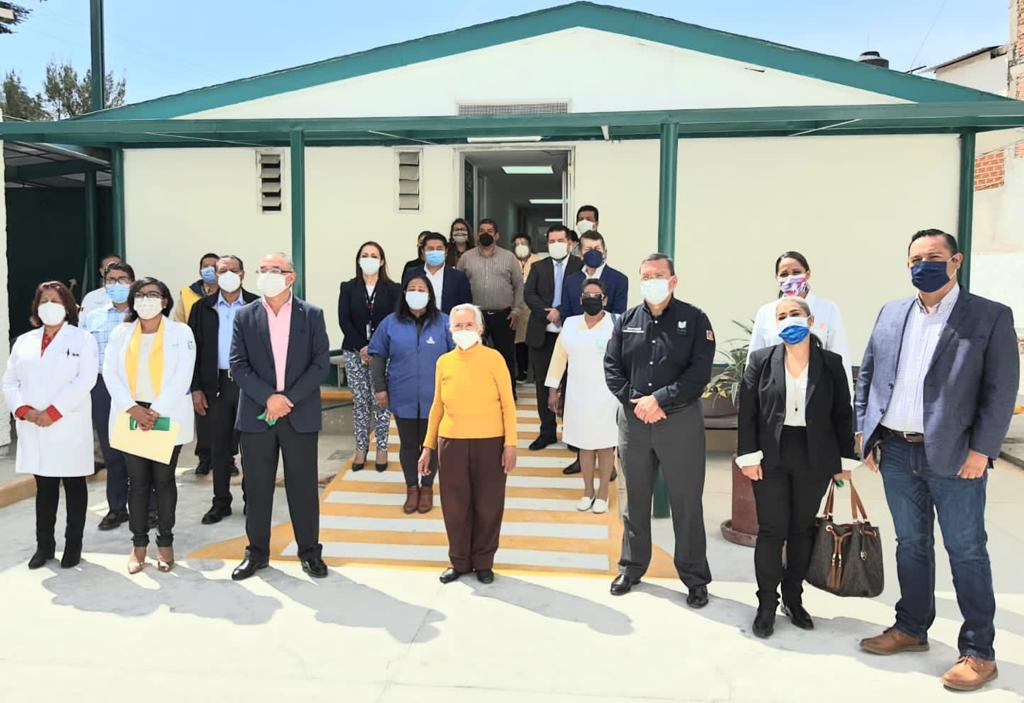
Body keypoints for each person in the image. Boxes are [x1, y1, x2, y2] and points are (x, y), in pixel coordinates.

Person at [855, 229, 1018, 692]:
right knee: (910, 544)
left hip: (956, 456)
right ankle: (911, 627)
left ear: (956, 261)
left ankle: (979, 652)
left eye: (933, 256)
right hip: (895, 450)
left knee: (966, 550)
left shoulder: (988, 316)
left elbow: (1001, 390)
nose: (922, 265)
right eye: (915, 259)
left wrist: (983, 450)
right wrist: (866, 432)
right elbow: (869, 373)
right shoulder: (892, 312)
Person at [737, 296, 858, 638]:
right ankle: (766, 604)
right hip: (770, 455)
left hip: (814, 455)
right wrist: (748, 456)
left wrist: (844, 461)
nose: (789, 319)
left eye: (795, 313)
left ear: (810, 320)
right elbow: (748, 412)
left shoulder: (830, 363)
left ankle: (794, 598)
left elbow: (842, 412)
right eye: (782, 316)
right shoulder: (761, 360)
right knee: (772, 530)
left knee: (802, 529)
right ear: (775, 325)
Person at [605, 253, 715, 607]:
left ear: (673, 280)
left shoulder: (695, 319)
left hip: (679, 422)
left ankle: (695, 578)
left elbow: (699, 373)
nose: (651, 281)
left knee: (686, 502)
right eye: (645, 276)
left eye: (657, 275)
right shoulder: (627, 321)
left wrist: (660, 400)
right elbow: (612, 367)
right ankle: (632, 567)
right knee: (635, 499)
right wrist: (637, 401)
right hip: (634, 422)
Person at [230, 252, 330, 581]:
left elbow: (320, 364)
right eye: (263, 269)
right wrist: (268, 398)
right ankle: (257, 552)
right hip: (257, 414)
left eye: (276, 269)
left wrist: (287, 399)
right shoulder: (245, 316)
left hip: (299, 413)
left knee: (303, 488)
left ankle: (309, 552)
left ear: (291, 277)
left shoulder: (311, 314)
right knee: (257, 488)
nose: (268, 274)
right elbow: (238, 365)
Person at [418, 304, 517, 584]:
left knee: (488, 504)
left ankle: (484, 561)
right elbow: (437, 406)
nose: (463, 330)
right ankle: (459, 560)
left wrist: (510, 443)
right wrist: (428, 446)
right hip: (452, 442)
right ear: (450, 330)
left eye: (468, 325)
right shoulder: (444, 362)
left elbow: (508, 404)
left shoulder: (494, 359)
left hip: (490, 442)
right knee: (455, 505)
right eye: (458, 326)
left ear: (480, 329)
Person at [103, 277, 196, 574]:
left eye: (153, 294)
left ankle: (165, 542)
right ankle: (138, 544)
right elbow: (109, 372)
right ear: (132, 301)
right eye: (140, 295)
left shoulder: (181, 332)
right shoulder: (121, 333)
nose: (146, 300)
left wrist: (154, 412)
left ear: (165, 301)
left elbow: (183, 375)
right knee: (138, 482)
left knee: (164, 481)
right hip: (131, 413)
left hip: (164, 414)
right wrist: (133, 408)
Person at [4, 281, 98, 569]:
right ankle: (44, 546)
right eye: (44, 301)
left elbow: (85, 380)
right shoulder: (24, 341)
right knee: (44, 488)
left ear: (67, 306)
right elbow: (10, 381)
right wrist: (23, 410)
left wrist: (54, 412)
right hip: (34, 423)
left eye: (55, 300)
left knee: (74, 485)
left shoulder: (83, 339)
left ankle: (73, 545)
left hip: (68, 422)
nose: (49, 306)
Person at [369, 274, 454, 514]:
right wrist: (380, 388)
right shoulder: (390, 323)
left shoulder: (444, 322)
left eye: (421, 289)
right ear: (405, 293)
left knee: (431, 445)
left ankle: (426, 487)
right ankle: (411, 488)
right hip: (402, 395)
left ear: (430, 294)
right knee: (408, 445)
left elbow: (456, 359)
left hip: (435, 397)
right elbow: (378, 356)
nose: (417, 292)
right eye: (412, 288)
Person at [188, 255, 258, 525]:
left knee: (251, 447)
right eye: (222, 270)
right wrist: (196, 388)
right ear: (215, 276)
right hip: (215, 385)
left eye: (233, 270)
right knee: (218, 448)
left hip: (248, 384)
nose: (228, 274)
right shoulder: (202, 308)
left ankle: (252, 501)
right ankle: (221, 502)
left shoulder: (256, 305)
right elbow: (193, 351)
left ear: (243, 274)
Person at [545, 279, 619, 514]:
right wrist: (553, 389)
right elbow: (559, 358)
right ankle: (588, 491)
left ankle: (603, 493)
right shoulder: (570, 323)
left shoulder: (616, 323)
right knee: (584, 446)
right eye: (587, 295)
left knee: (605, 445)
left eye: (597, 296)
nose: (591, 299)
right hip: (578, 394)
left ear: (605, 300)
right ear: (580, 299)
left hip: (608, 395)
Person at [748, 251, 851, 391]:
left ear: (807, 274)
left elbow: (840, 355)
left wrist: (847, 398)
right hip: (775, 392)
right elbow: (754, 361)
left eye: (796, 272)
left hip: (816, 391)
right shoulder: (766, 312)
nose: (790, 278)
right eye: (784, 274)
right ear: (776, 278)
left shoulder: (828, 309)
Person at [338, 242, 401, 471]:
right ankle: (361, 448)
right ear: (358, 260)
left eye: (374, 255)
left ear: (382, 261)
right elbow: (344, 320)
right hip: (354, 351)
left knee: (381, 401)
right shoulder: (348, 287)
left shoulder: (393, 289)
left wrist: (375, 348)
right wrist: (361, 347)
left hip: (382, 353)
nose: (369, 259)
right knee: (360, 402)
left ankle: (382, 448)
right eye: (365, 255)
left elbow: (394, 320)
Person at [82, 262, 136, 531]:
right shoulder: (93, 317)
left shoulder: (142, 316)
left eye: (122, 279)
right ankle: (117, 508)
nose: (116, 284)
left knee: (141, 450)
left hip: (137, 387)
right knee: (112, 450)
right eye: (111, 279)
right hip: (102, 387)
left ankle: (148, 507)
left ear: (132, 283)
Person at [523, 225, 582, 450]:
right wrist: (547, 313)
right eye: (551, 241)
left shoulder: (580, 266)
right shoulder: (538, 267)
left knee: (570, 385)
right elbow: (529, 294)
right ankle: (547, 431)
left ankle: (571, 432)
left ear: (570, 243)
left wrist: (560, 311)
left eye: (560, 240)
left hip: (570, 335)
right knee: (542, 383)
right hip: (542, 334)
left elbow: (579, 295)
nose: (556, 244)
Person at [456, 218, 524, 397]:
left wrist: (516, 310)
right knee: (473, 356)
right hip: (475, 317)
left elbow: (519, 285)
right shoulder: (466, 258)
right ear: (477, 234)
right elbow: (457, 284)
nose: (485, 234)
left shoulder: (509, 257)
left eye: (490, 231)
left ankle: (508, 394)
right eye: (482, 231)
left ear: (497, 235)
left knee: (505, 357)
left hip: (504, 316)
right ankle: (475, 394)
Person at [175, 252, 221, 476]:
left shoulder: (228, 293)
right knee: (202, 413)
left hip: (220, 360)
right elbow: (178, 322)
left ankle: (226, 459)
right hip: (196, 356)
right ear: (199, 270)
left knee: (224, 417)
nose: (209, 269)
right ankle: (204, 458)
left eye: (214, 266)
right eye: (205, 266)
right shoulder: (187, 294)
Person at [561, 231, 628, 317]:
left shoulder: (619, 280)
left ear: (605, 252)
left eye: (597, 249)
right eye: (588, 249)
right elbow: (565, 314)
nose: (593, 253)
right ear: (580, 254)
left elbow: (618, 316)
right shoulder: (571, 281)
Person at [405, 232, 472, 314]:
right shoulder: (411, 273)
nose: (435, 252)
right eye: (430, 249)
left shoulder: (458, 277)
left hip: (448, 320)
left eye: (439, 249)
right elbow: (403, 302)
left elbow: (466, 307)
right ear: (423, 251)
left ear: (446, 251)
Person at [513, 233, 541, 382]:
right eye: (517, 244)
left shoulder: (538, 261)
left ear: (530, 246)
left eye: (523, 243)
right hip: (517, 307)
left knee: (536, 340)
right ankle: (522, 371)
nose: (520, 246)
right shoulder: (510, 261)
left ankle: (536, 372)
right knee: (519, 342)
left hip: (534, 308)